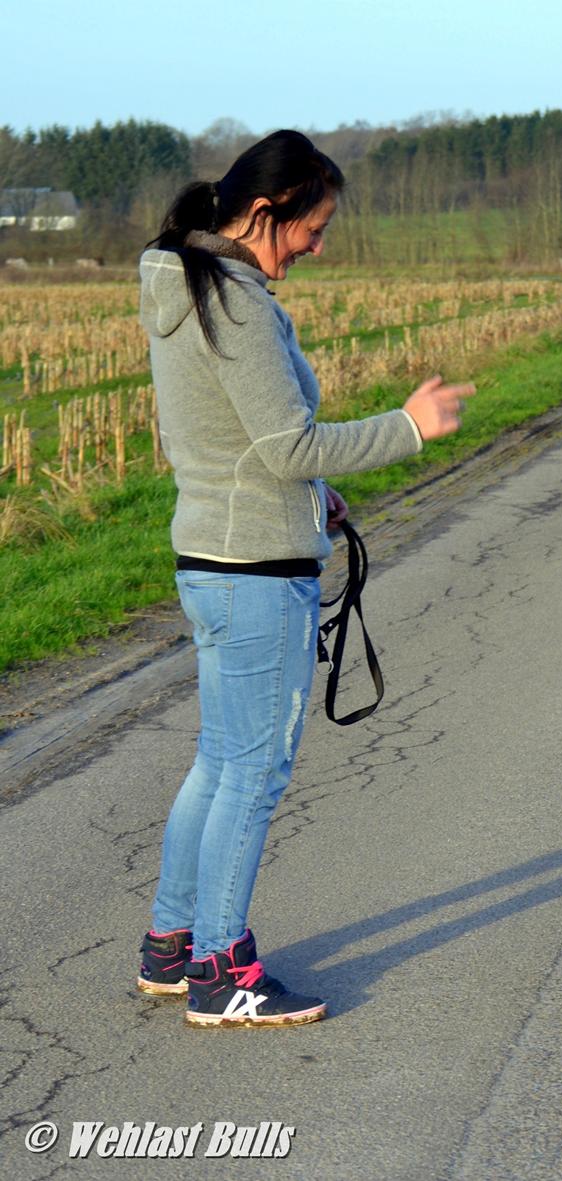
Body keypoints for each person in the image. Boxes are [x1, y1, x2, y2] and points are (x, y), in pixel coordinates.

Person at [135, 130, 474, 1027]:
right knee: (254, 773)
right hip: (254, 573)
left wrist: (315, 496)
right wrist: (408, 426)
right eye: (311, 229)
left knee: (219, 763)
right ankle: (221, 974)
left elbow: (233, 439)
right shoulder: (235, 304)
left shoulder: (188, 285)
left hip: (214, 556)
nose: (319, 246)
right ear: (262, 212)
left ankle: (173, 947)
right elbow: (284, 444)